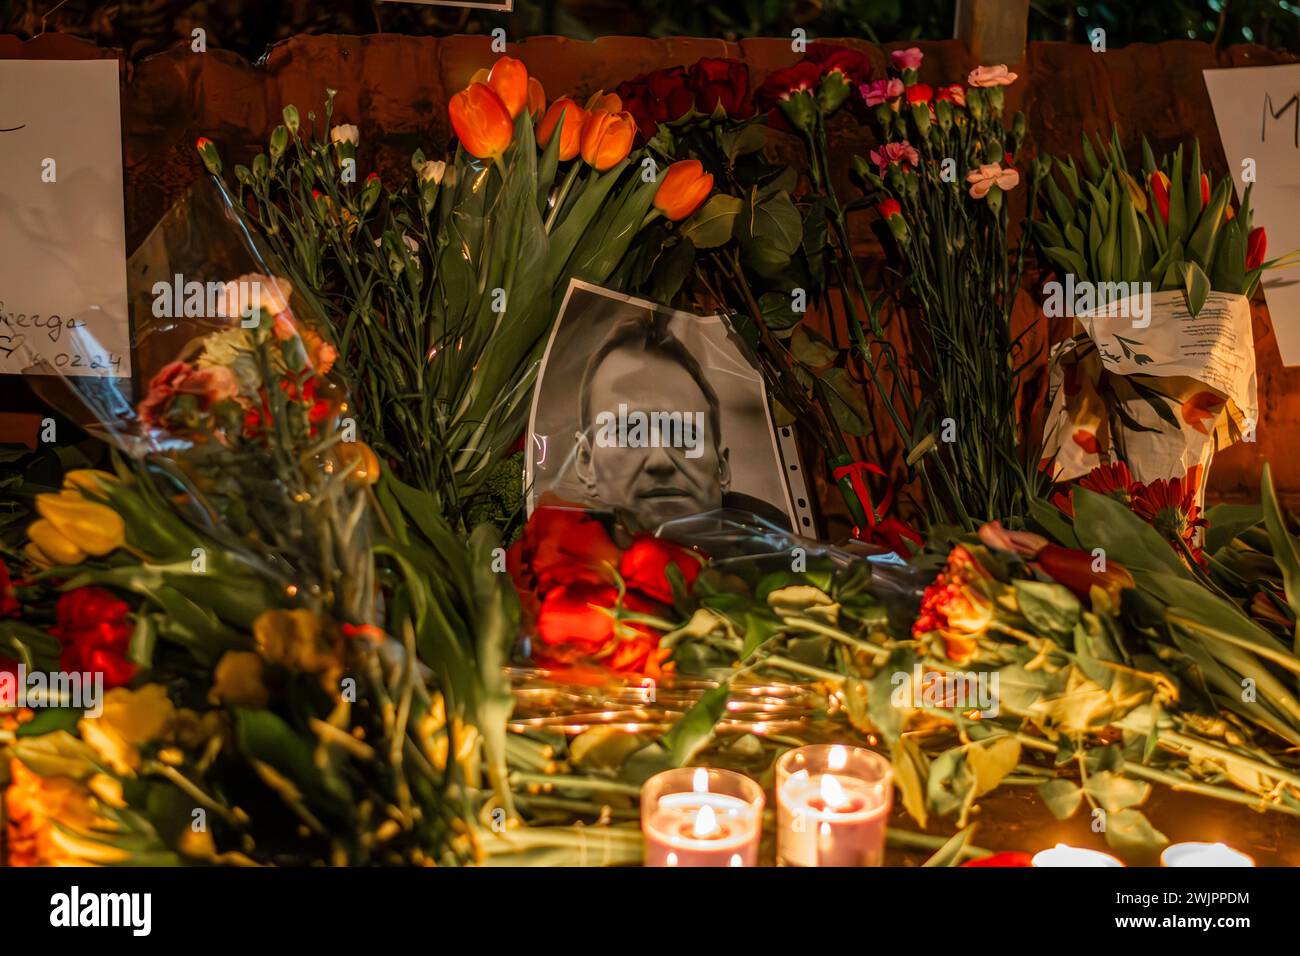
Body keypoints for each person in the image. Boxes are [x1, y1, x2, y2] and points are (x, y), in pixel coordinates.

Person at [573, 313, 789, 532]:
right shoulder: (548, 550)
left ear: (722, 470)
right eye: (631, 434)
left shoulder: (789, 556)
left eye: (682, 435)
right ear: (585, 462)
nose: (660, 461)